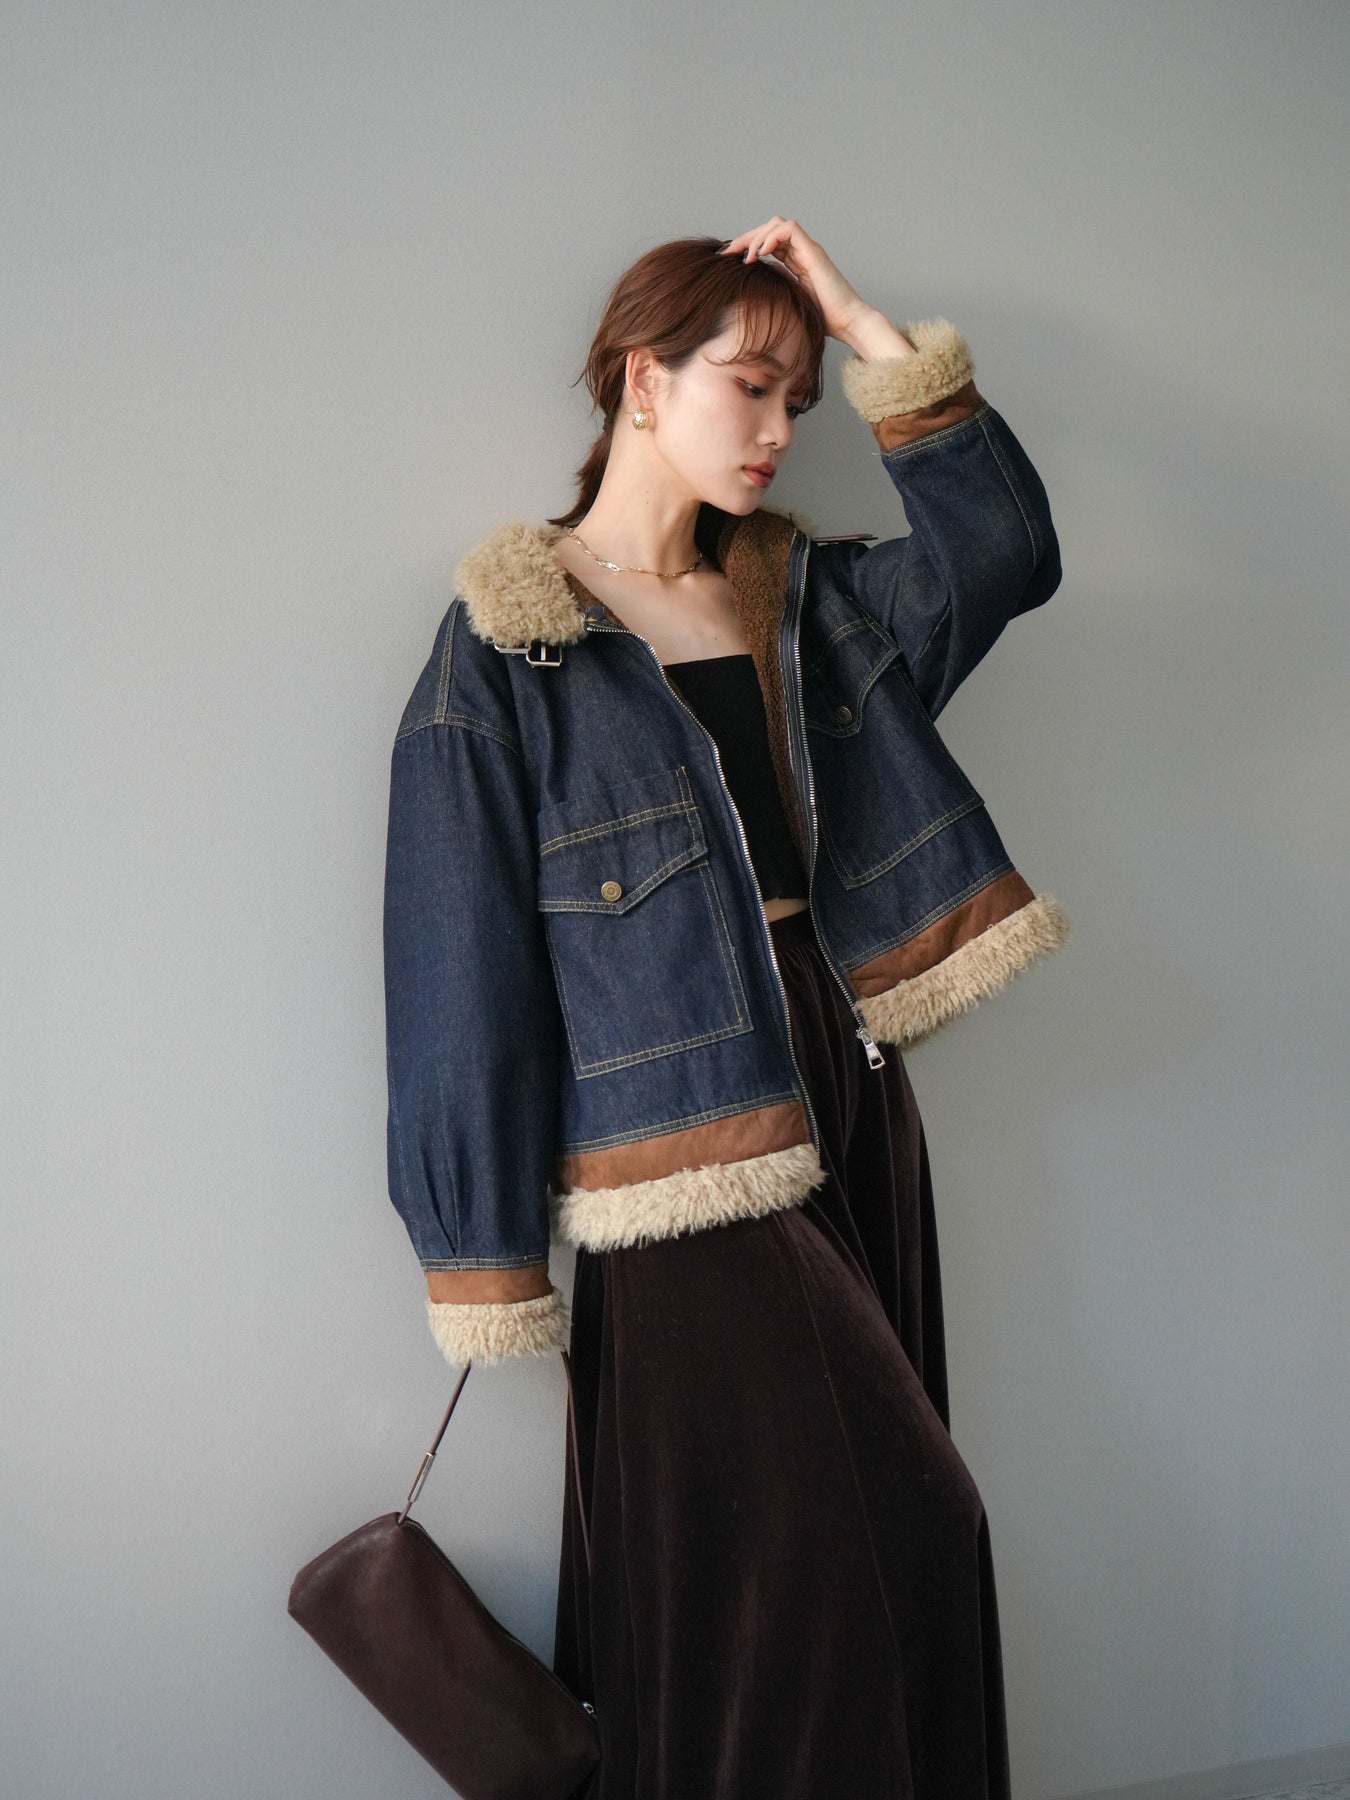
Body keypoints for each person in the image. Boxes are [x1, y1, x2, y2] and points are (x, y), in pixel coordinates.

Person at [381, 217, 1069, 1798]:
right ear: (642, 379)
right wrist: (480, 1251)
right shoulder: (512, 647)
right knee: (875, 1526)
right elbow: (454, 969)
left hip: (846, 1081)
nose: (775, 432)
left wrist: (864, 326)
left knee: (798, 1570)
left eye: (797, 402)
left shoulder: (806, 607)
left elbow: (1004, 555)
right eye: (748, 386)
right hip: (672, 1139)